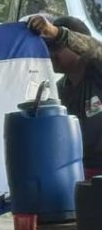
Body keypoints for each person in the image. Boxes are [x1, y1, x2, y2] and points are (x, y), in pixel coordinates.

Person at [28, 15, 102, 177]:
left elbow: (94, 48)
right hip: (80, 174)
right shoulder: (59, 90)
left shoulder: (98, 70)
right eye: (48, 48)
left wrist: (57, 33)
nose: (50, 54)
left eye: (56, 47)